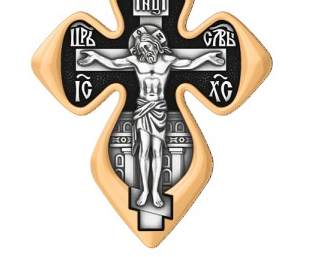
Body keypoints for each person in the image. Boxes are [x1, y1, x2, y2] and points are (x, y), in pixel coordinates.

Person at [77, 27, 224, 207]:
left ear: (155, 45)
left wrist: (207, 57)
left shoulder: (168, 60)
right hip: (143, 108)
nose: (146, 51)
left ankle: (155, 191)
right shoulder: (136, 61)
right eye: (142, 49)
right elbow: (113, 64)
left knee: (157, 152)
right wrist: (95, 56)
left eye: (148, 47)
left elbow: (190, 64)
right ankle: (145, 190)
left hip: (159, 110)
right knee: (144, 151)